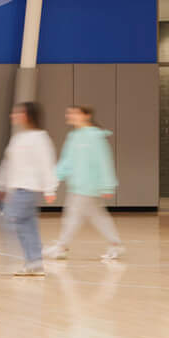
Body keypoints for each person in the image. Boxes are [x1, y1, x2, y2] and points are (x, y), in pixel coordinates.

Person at [47, 105, 123, 261]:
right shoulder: (73, 136)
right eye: (69, 113)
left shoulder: (95, 136)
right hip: (77, 186)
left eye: (75, 113)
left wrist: (107, 185)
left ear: (86, 116)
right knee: (98, 217)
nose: (70, 116)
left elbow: (104, 161)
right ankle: (115, 244)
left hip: (89, 187)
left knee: (73, 217)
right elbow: (66, 161)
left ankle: (62, 247)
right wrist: (54, 177)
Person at [0, 102, 57, 276]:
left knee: (10, 221)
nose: (13, 115)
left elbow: (47, 164)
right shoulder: (18, 138)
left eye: (17, 113)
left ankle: (19, 258)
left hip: (28, 189)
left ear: (27, 116)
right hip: (16, 189)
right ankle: (35, 262)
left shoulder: (40, 138)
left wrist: (50, 189)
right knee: (28, 225)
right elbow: (8, 164)